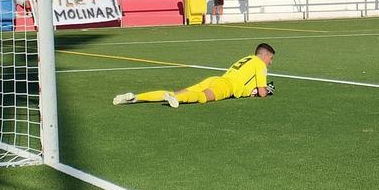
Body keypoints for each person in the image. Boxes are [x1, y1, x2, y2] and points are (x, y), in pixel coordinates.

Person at [112, 44, 275, 107]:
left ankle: (136, 97)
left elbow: (247, 84)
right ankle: (177, 100)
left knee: (175, 92)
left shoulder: (248, 58)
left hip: (215, 79)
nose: (270, 62)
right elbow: (262, 93)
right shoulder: (260, 64)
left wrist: (251, 91)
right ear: (264, 55)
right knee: (202, 97)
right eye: (271, 58)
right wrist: (267, 90)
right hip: (227, 86)